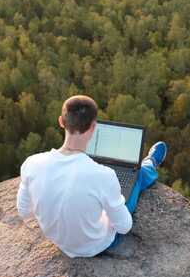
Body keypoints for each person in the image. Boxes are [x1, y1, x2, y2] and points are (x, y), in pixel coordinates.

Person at [16, 95, 167, 258]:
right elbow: (124, 227)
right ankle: (150, 163)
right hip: (96, 245)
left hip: (59, 242)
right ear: (94, 127)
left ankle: (147, 166)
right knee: (137, 178)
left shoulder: (31, 163)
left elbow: (25, 212)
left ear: (61, 121)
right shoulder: (104, 175)